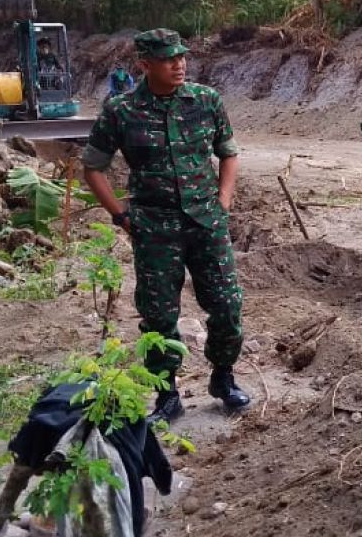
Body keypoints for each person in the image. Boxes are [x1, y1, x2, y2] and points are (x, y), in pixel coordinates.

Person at [81, 28, 250, 423]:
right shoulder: (121, 110)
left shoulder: (206, 101)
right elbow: (93, 168)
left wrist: (223, 201)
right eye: (168, 59)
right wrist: (121, 216)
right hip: (154, 229)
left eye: (182, 57)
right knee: (159, 317)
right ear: (145, 65)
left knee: (227, 306)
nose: (179, 64)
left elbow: (228, 153)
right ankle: (167, 394)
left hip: (206, 223)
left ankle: (223, 378)